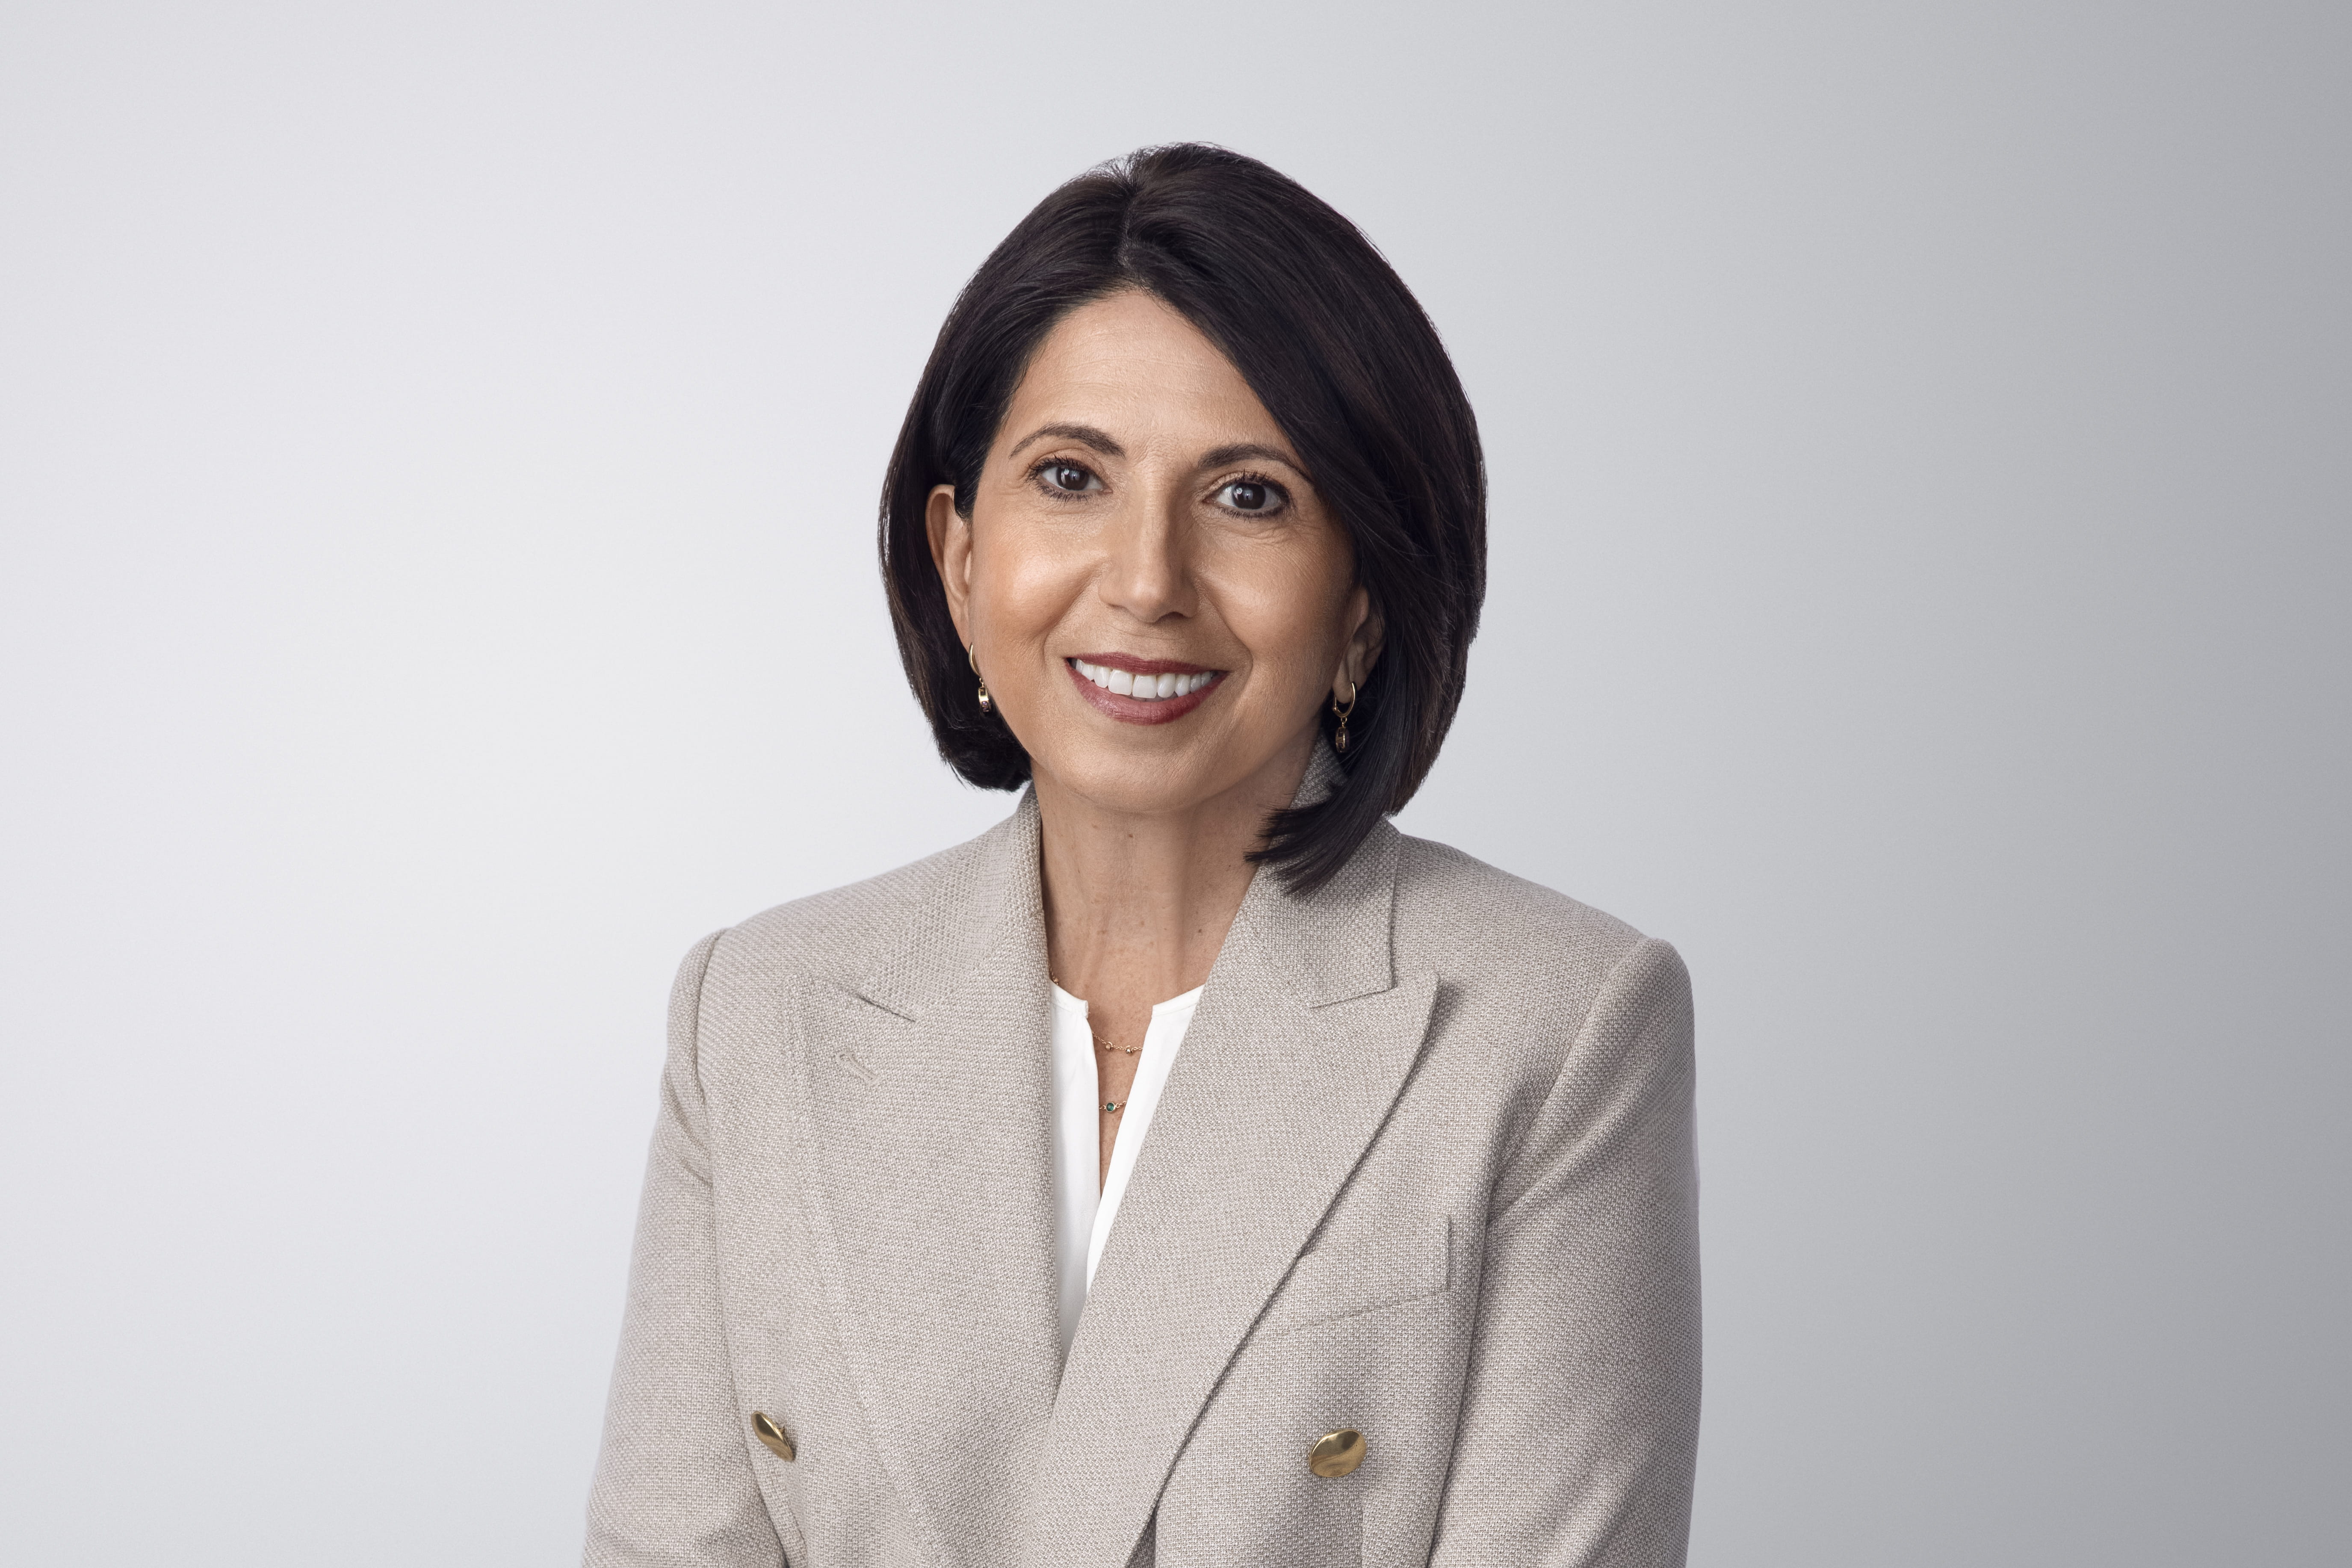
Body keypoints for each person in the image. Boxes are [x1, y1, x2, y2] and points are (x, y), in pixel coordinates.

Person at [585, 144, 1698, 1568]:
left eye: (1249, 497)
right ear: (961, 558)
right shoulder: (755, 1009)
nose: (1148, 579)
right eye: (1070, 477)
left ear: (1362, 600)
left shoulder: (1556, 1027)